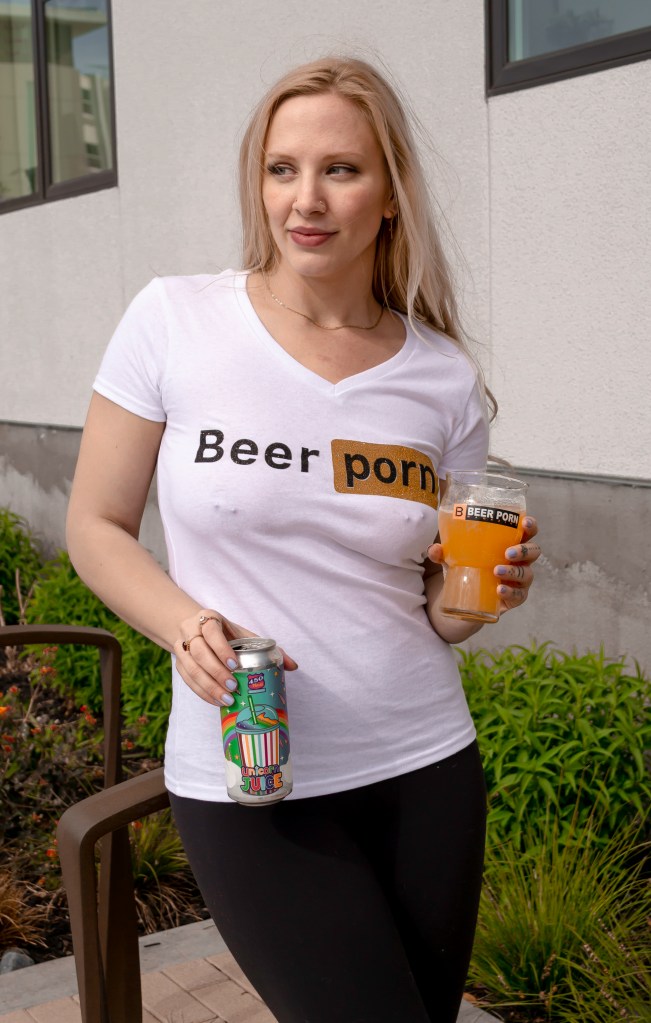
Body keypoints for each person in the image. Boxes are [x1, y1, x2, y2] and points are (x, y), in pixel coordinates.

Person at [67, 56, 541, 1023]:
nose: (305, 199)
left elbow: (439, 613)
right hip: (251, 772)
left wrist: (485, 590)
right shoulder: (176, 319)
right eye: (282, 169)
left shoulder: (440, 376)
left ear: (391, 195)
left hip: (424, 764)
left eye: (340, 170)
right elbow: (95, 524)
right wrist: (184, 623)